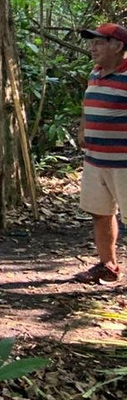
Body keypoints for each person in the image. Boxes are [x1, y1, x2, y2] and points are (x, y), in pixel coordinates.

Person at [74, 23, 127, 284]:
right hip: (95, 160)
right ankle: (108, 265)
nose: (92, 48)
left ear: (118, 46)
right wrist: (84, 129)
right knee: (101, 212)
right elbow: (87, 105)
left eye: (99, 42)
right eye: (91, 42)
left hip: (123, 164)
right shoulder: (95, 73)